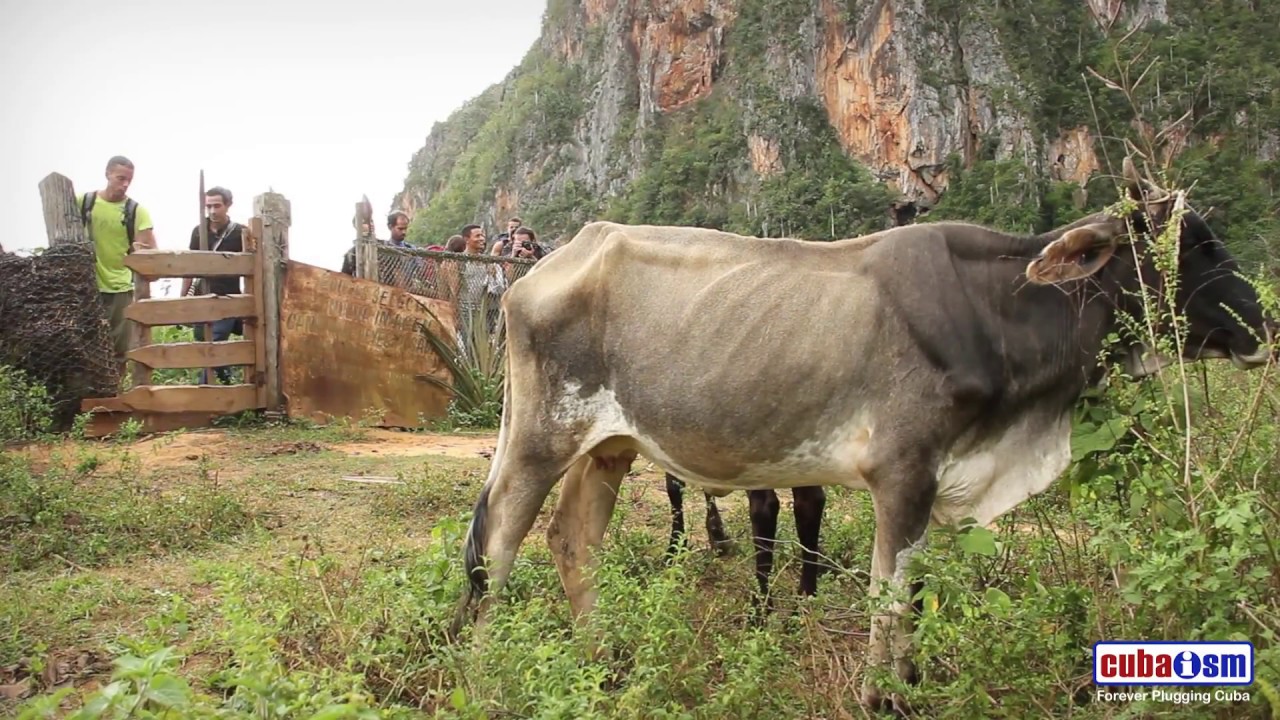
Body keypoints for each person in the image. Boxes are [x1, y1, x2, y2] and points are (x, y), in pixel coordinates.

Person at [79, 155, 157, 377]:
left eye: (128, 181)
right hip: (84, 286)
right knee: (83, 345)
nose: (124, 185)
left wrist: (143, 253)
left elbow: (150, 251)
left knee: (119, 350)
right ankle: (87, 398)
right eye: (120, 178)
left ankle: (115, 396)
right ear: (107, 174)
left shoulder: (135, 211)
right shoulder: (84, 202)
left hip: (119, 287)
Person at [183, 186, 245, 385]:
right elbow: (189, 266)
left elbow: (252, 268)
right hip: (201, 299)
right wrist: (184, 298)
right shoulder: (198, 231)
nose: (212, 211)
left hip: (227, 300)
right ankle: (229, 383)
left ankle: (201, 393)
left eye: (217, 206)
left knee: (214, 346)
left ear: (228, 205)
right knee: (205, 344)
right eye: (208, 206)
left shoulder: (240, 233)